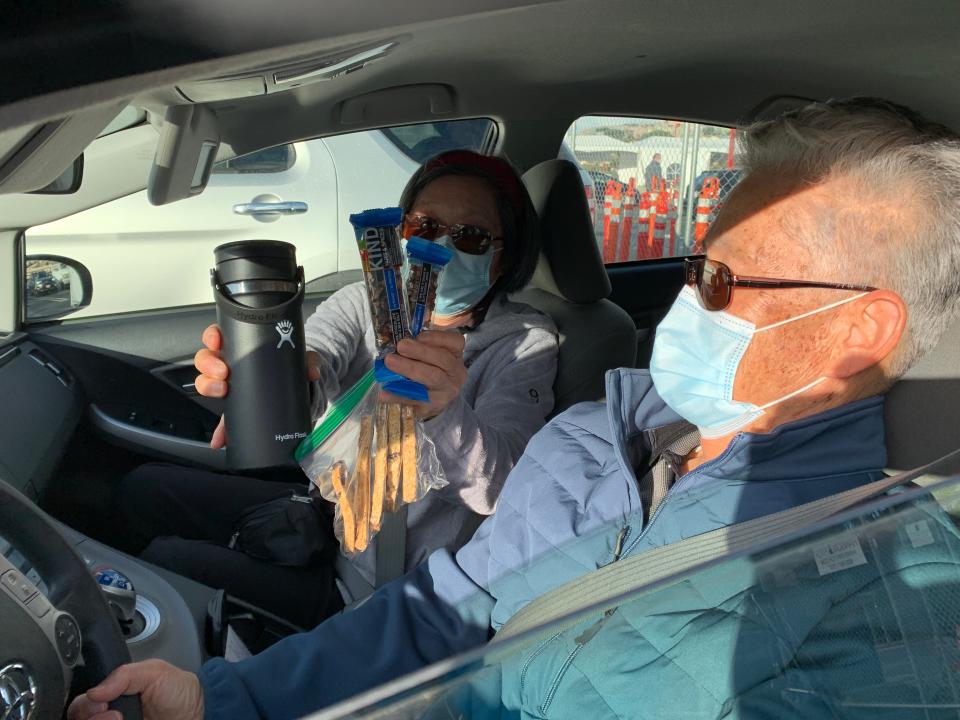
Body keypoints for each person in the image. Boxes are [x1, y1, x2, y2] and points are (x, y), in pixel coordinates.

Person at [72, 98, 960, 720]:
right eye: (693, 268)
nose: (685, 304)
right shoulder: (597, 434)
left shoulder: (881, 581)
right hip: (348, 543)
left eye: (717, 279)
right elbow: (439, 612)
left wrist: (445, 412)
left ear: (856, 329)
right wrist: (231, 703)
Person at [113, 150, 559, 628]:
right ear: (403, 232)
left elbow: (505, 488)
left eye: (470, 236)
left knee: (168, 560)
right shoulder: (365, 299)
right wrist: (270, 381)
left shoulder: (523, 342)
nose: (443, 248)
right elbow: (317, 359)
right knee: (143, 490)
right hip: (325, 511)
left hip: (380, 582)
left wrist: (444, 415)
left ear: (505, 254)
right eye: (425, 227)